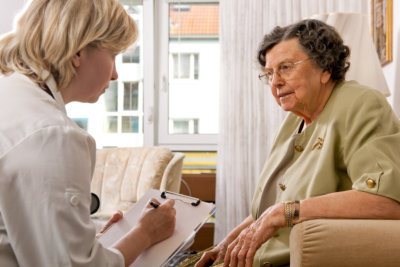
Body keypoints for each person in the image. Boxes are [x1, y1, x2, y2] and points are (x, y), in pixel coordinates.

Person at [193, 19, 400, 267]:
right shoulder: (293, 121)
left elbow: (387, 200)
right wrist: (226, 244)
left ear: (325, 68)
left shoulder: (361, 104)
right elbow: (271, 209)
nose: (275, 82)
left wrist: (286, 212)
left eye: (286, 68)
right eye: (269, 73)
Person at [0, 1, 176, 266]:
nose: (116, 74)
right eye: (114, 55)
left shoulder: (12, 96)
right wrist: (144, 234)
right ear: (78, 51)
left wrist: (88, 241)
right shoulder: (52, 136)